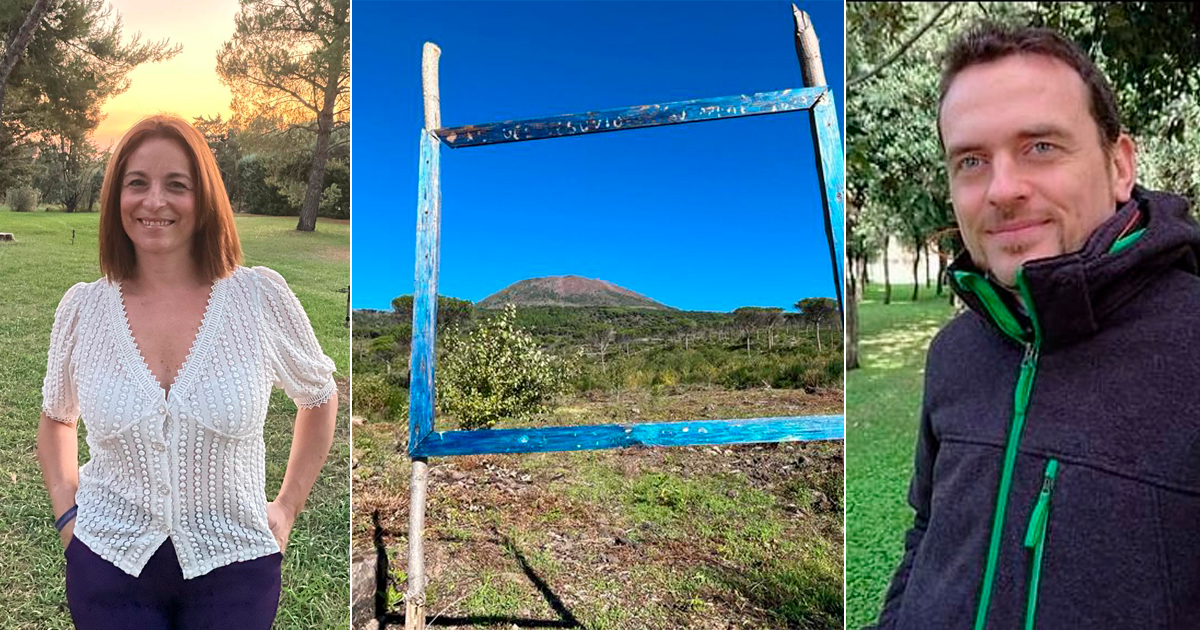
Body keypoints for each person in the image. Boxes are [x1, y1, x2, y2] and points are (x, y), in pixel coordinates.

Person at [869, 22, 1200, 630]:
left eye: (1040, 147)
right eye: (971, 160)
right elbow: (927, 531)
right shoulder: (953, 352)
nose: (1002, 190)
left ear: (1119, 164)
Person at [37, 114, 340, 630]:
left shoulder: (258, 298)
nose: (154, 201)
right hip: (108, 563)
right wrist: (69, 519)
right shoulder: (83, 309)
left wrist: (286, 507)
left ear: (204, 200)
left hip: (236, 565)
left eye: (177, 185)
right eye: (137, 183)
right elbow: (57, 419)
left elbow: (319, 395)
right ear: (116, 198)